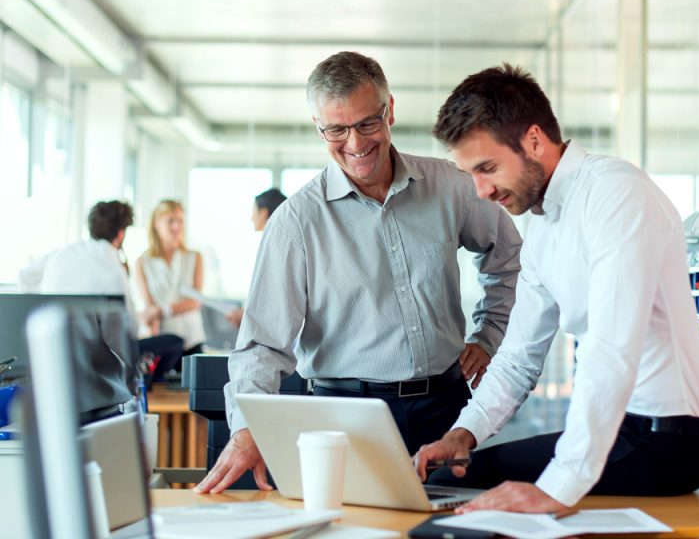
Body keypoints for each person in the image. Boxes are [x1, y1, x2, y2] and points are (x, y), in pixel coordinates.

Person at [195, 51, 522, 494]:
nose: (355, 143)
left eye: (367, 123)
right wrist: (247, 429)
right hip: (342, 417)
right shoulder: (296, 222)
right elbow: (262, 346)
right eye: (336, 130)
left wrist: (489, 334)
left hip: (444, 410)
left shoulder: (451, 186)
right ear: (319, 126)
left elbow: (509, 258)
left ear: (389, 111)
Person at [414, 64, 699, 514]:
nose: (480, 191)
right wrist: (464, 433)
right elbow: (519, 357)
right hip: (627, 429)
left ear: (534, 140)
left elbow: (611, 346)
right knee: (450, 479)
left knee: (471, 494)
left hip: (670, 440)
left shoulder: (617, 195)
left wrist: (558, 487)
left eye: (487, 168)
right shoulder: (542, 227)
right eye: (471, 175)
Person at [37, 200, 183, 413]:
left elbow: (25, 277)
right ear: (121, 234)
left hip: (55, 352)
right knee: (174, 342)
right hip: (95, 362)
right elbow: (129, 330)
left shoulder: (62, 253)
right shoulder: (112, 269)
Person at [135, 199, 205, 357]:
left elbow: (195, 301)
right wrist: (152, 317)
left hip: (192, 340)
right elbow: (150, 307)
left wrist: (163, 310)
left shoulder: (194, 257)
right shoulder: (142, 262)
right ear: (156, 224)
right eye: (170, 221)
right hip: (163, 342)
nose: (176, 227)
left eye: (180, 221)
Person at [225, 188, 288, 329]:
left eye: (253, 212)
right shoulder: (276, 243)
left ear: (263, 213)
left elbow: (273, 295)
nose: (251, 218)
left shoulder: (277, 246)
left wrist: (246, 315)